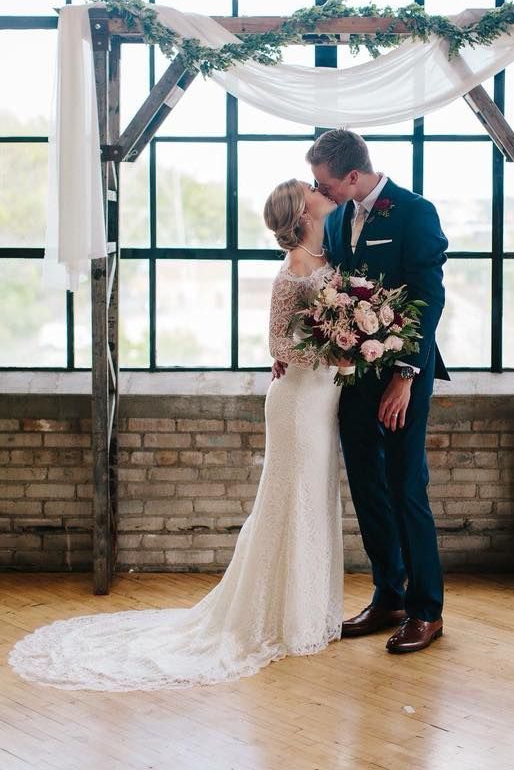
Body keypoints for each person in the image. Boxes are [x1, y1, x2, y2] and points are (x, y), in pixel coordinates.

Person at [8, 180, 344, 692]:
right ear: (302, 211)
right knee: (291, 499)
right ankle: (279, 618)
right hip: (297, 401)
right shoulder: (293, 270)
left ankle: (309, 608)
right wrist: (330, 355)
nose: (321, 191)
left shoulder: (329, 253)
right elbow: (276, 341)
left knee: (314, 497)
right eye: (309, 189)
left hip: (325, 399)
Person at [301, 128, 449, 654]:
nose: (323, 193)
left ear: (353, 175)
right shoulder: (338, 218)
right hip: (355, 377)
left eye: (326, 183)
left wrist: (405, 376)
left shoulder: (414, 211)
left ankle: (427, 610)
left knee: (406, 486)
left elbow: (429, 298)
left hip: (404, 377)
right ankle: (389, 595)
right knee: (367, 486)